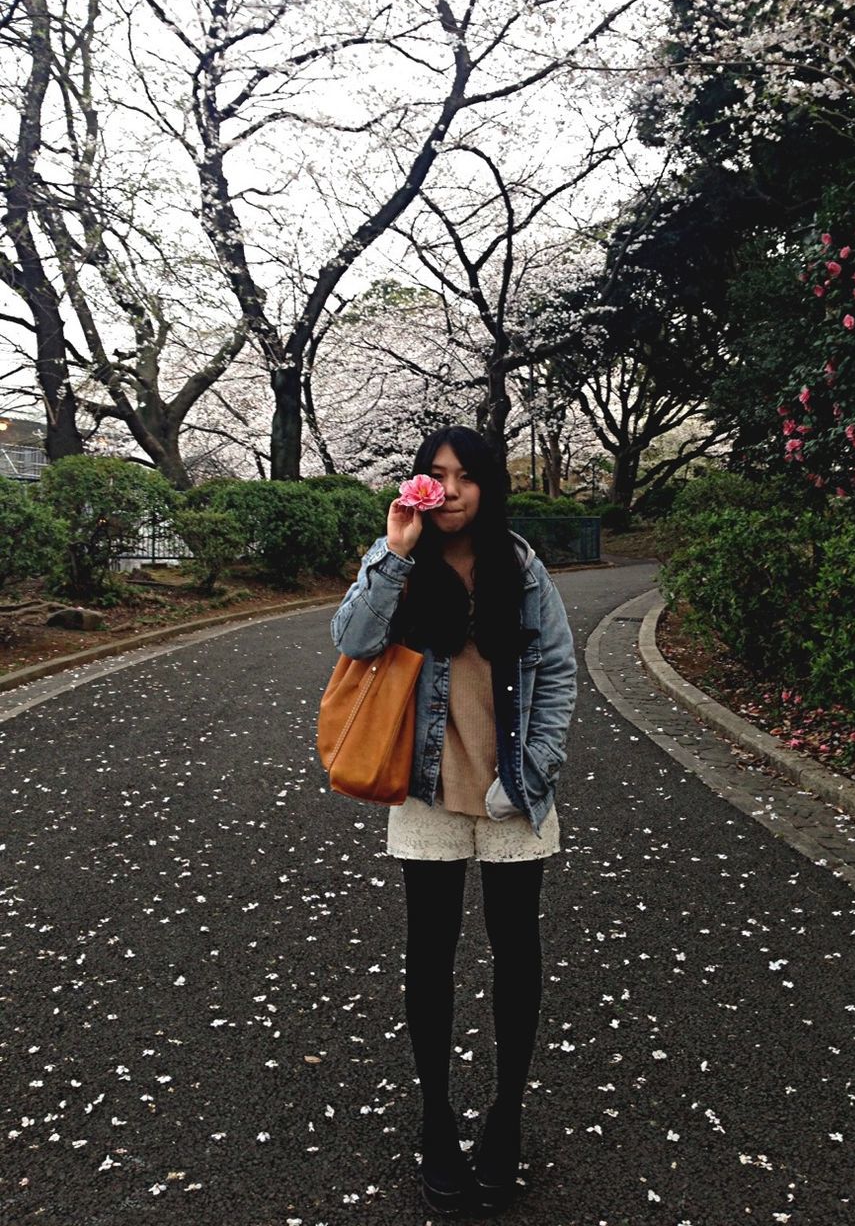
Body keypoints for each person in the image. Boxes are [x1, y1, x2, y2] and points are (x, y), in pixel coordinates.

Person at [330, 425, 578, 1216]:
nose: (450, 491)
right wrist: (394, 548)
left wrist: (531, 772)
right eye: (436, 475)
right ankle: (437, 1118)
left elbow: (561, 672)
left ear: (488, 485)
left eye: (465, 476)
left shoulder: (521, 565)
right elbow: (352, 639)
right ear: (418, 485)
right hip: (428, 790)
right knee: (429, 956)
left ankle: (505, 1115)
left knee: (516, 955)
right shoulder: (403, 559)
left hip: (513, 791)